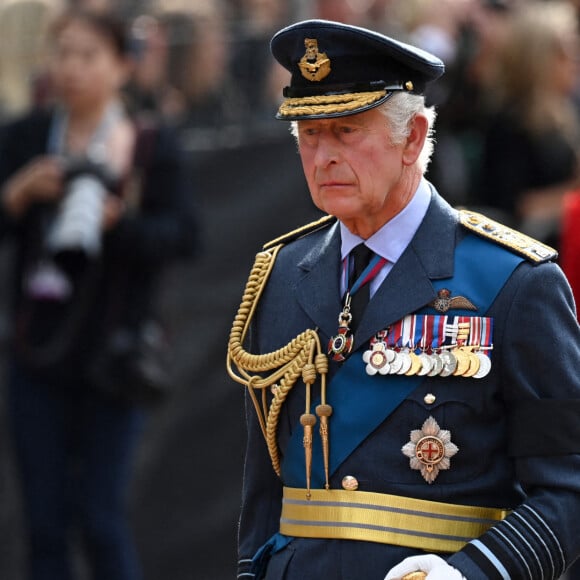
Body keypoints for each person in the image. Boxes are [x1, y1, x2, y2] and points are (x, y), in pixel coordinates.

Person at [227, 19, 580, 580]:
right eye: (309, 134)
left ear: (413, 137)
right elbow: (264, 495)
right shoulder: (283, 274)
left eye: (346, 131)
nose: (322, 158)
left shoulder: (513, 281)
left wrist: (473, 573)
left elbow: (568, 489)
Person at [0, 8, 197, 580]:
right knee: (43, 523)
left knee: (101, 518)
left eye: (88, 56)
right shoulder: (25, 138)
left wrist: (120, 223)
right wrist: (18, 195)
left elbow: (185, 235)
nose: (71, 69)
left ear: (120, 67)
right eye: (62, 53)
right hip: (37, 352)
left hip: (115, 357)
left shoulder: (149, 144)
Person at [476, 0, 580, 248]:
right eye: (565, 49)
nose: (574, 57)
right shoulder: (511, 122)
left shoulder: (566, 110)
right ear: (539, 57)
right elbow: (514, 208)